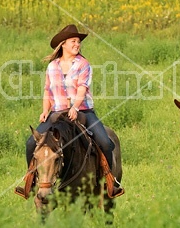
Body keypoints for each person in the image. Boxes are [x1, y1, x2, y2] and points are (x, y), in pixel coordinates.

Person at [25, 24, 123, 195]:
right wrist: (45, 111)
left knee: (106, 143)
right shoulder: (52, 66)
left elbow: (82, 89)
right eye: (73, 41)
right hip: (57, 113)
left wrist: (75, 107)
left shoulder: (83, 64)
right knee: (31, 143)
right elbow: (48, 91)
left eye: (78, 42)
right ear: (63, 44)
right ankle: (32, 181)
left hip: (83, 111)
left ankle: (108, 182)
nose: (77, 44)